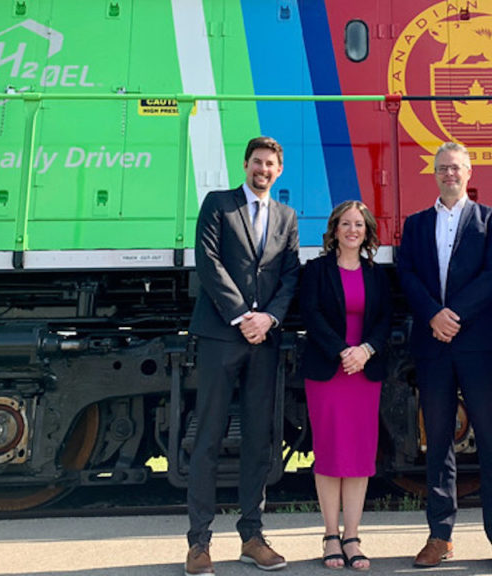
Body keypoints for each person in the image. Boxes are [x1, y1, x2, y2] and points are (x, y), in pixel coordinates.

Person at [397, 142, 492, 573]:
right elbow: (405, 273)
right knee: (437, 446)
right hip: (433, 346)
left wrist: (455, 314)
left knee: (491, 441)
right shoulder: (415, 225)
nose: (450, 174)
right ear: (434, 173)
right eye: (443, 168)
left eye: (457, 168)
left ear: (469, 173)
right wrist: (433, 314)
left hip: (477, 345)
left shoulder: (490, 220)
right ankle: (440, 536)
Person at [185, 136, 300, 575]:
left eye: (271, 164)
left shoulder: (286, 216)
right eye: (257, 162)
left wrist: (268, 319)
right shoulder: (218, 204)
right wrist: (242, 315)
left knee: (259, 441)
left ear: (279, 170)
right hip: (221, 335)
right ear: (246, 164)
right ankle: (199, 544)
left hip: (264, 340)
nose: (263, 170)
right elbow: (208, 261)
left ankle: (252, 536)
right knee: (209, 437)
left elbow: (289, 273)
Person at [300, 200, 392, 571]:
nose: (352, 230)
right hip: (329, 370)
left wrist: (365, 351)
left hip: (364, 373)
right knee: (330, 452)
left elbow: (386, 318)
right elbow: (311, 314)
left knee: (357, 456)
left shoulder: (377, 274)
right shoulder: (317, 270)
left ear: (367, 232)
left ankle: (352, 536)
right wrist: (342, 351)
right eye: (346, 224)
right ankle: (329, 535)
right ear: (334, 229)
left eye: (359, 225)